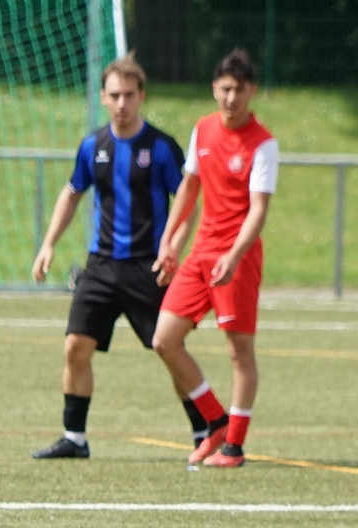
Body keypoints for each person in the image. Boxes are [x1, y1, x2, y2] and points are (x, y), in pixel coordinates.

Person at [30, 53, 202, 459]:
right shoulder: (93, 146)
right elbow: (72, 193)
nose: (121, 103)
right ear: (103, 98)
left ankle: (203, 432)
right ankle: (75, 438)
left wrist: (174, 248)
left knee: (171, 350)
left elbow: (188, 202)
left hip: (150, 267)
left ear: (141, 96)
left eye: (129, 95)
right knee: (75, 345)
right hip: (102, 266)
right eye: (114, 95)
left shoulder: (162, 147)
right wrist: (48, 243)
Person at [151, 49, 278, 469]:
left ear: (251, 91)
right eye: (225, 89)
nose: (231, 98)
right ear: (214, 89)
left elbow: (258, 211)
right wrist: (169, 242)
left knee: (239, 352)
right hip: (201, 254)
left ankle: (234, 447)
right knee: (164, 340)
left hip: (237, 260)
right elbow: (189, 188)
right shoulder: (202, 130)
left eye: (239, 90)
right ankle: (216, 419)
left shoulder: (263, 144)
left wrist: (234, 256)